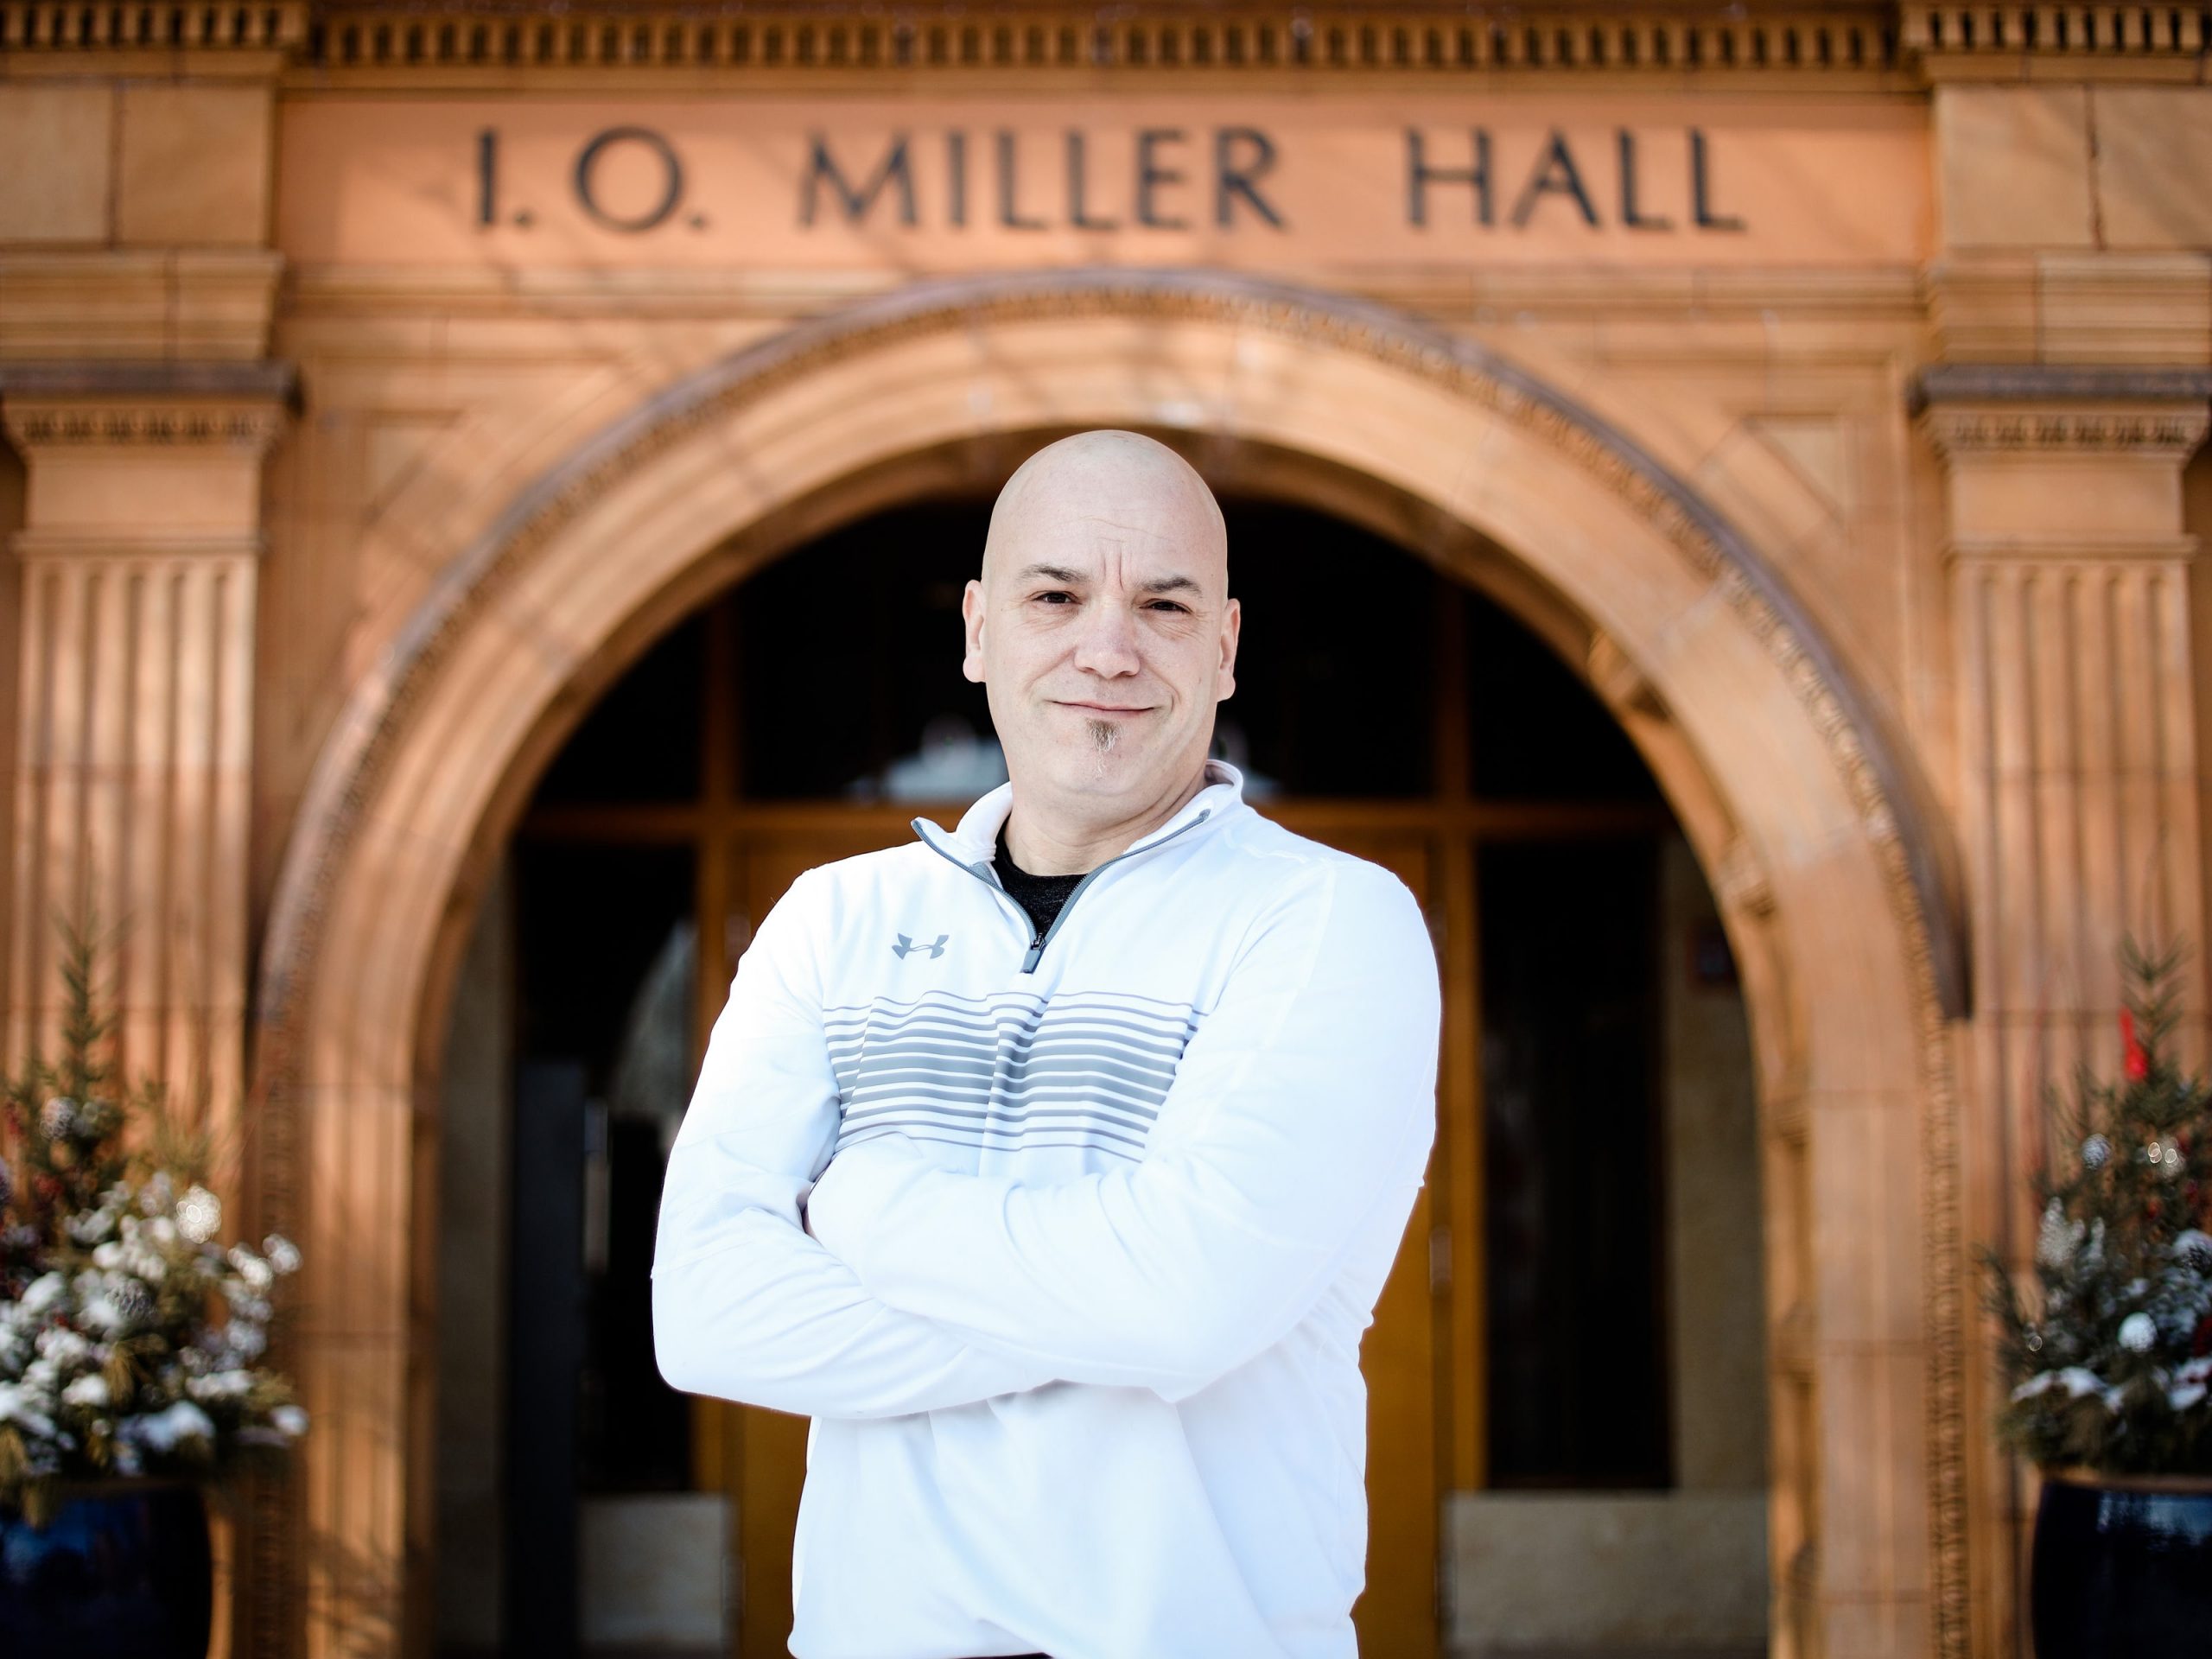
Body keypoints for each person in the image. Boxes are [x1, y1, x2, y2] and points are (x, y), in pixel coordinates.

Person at [651, 429, 1443, 1659]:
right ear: (979, 630)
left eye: (1163, 604)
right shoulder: (836, 919)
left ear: (1225, 649)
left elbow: (1185, 1304)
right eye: (1056, 595)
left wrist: (860, 1212)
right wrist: (1106, 1304)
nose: (1107, 648)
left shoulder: (1333, 922)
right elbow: (704, 1315)